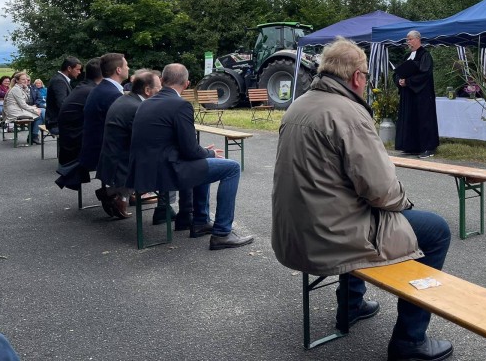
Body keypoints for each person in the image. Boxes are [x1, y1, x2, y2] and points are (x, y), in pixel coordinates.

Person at [272, 38, 453, 361]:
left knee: (353, 207)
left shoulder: (297, 106)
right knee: (436, 229)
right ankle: (409, 341)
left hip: (293, 232)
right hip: (329, 236)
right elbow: (382, 191)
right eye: (367, 76)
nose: (366, 82)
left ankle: (351, 305)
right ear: (357, 77)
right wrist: (404, 204)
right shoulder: (349, 114)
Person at [128, 63, 254, 250]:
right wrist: (208, 152)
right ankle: (222, 233)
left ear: (162, 81)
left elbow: (172, 143)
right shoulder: (180, 105)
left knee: (202, 162)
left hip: (143, 170)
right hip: (166, 172)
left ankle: (201, 221)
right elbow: (189, 150)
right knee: (232, 168)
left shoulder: (146, 103)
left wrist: (200, 152)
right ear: (187, 84)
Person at [95, 69, 161, 219]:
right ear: (148, 90)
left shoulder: (127, 99)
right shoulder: (138, 107)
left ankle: (115, 194)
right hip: (122, 162)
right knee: (171, 163)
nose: (162, 91)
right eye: (159, 88)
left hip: (112, 157)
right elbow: (148, 140)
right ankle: (165, 210)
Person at [79, 53, 130, 218]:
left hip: (94, 147)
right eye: (126, 65)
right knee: (158, 154)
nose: (128, 68)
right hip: (103, 151)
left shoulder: (102, 89)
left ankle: (120, 192)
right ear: (118, 70)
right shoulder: (112, 94)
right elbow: (122, 127)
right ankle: (117, 193)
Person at [54, 58, 102, 191]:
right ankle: (120, 193)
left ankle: (119, 193)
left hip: (69, 142)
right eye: (78, 69)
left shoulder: (84, 87)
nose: (80, 72)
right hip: (76, 147)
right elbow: (60, 103)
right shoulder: (93, 91)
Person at [395, 30, 439, 158]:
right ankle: (412, 146)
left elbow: (425, 74)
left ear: (417, 39)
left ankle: (427, 148)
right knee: (410, 119)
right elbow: (398, 72)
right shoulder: (406, 57)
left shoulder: (425, 55)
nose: (408, 42)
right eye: (407, 40)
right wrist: (400, 81)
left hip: (422, 95)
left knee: (424, 119)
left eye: (410, 39)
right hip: (408, 95)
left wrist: (408, 81)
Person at [3, 71, 43, 144]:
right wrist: (34, 110)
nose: (25, 81)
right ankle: (34, 136)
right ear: (17, 80)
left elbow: (27, 100)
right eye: (23, 79)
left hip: (19, 109)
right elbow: (23, 105)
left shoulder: (21, 88)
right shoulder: (16, 89)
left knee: (41, 111)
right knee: (41, 113)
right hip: (15, 112)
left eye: (26, 79)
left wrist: (26, 88)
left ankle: (33, 136)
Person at [46, 57, 82, 134]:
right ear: (69, 68)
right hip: (57, 124)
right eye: (78, 69)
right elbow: (62, 104)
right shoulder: (59, 81)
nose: (79, 72)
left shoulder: (61, 79)